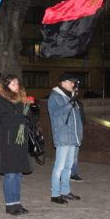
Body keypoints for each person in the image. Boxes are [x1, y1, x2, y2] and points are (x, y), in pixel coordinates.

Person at [0, 74, 33, 216]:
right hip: (9, 141)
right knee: (10, 174)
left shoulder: (22, 99)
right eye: (12, 84)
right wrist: (21, 118)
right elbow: (4, 118)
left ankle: (17, 202)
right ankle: (10, 204)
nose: (16, 86)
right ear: (6, 87)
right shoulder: (2, 99)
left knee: (18, 174)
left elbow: (28, 117)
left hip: (21, 141)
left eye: (17, 83)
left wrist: (27, 110)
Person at [48, 73, 83, 204]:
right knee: (59, 167)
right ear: (62, 83)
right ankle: (55, 194)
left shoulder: (70, 96)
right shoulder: (54, 96)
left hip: (72, 136)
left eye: (74, 82)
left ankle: (65, 191)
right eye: (70, 82)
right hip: (62, 136)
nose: (73, 84)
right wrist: (70, 104)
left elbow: (77, 118)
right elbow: (55, 114)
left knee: (68, 167)